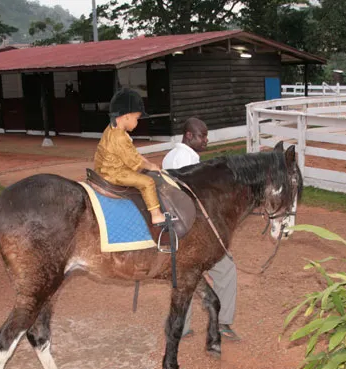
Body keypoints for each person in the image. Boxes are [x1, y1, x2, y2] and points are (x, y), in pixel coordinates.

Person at [162, 118, 240, 341]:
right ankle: (223, 322)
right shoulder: (188, 159)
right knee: (225, 269)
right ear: (189, 136)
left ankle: (181, 326)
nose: (206, 140)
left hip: (176, 227)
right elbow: (195, 199)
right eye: (202, 136)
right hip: (193, 230)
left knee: (188, 275)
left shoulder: (171, 156)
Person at [94, 88, 166, 225]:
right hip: (113, 172)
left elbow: (132, 152)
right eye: (136, 118)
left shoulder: (111, 129)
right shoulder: (119, 137)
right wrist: (150, 166)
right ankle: (156, 215)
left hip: (106, 168)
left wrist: (147, 162)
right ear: (126, 116)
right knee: (147, 182)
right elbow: (135, 161)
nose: (137, 123)